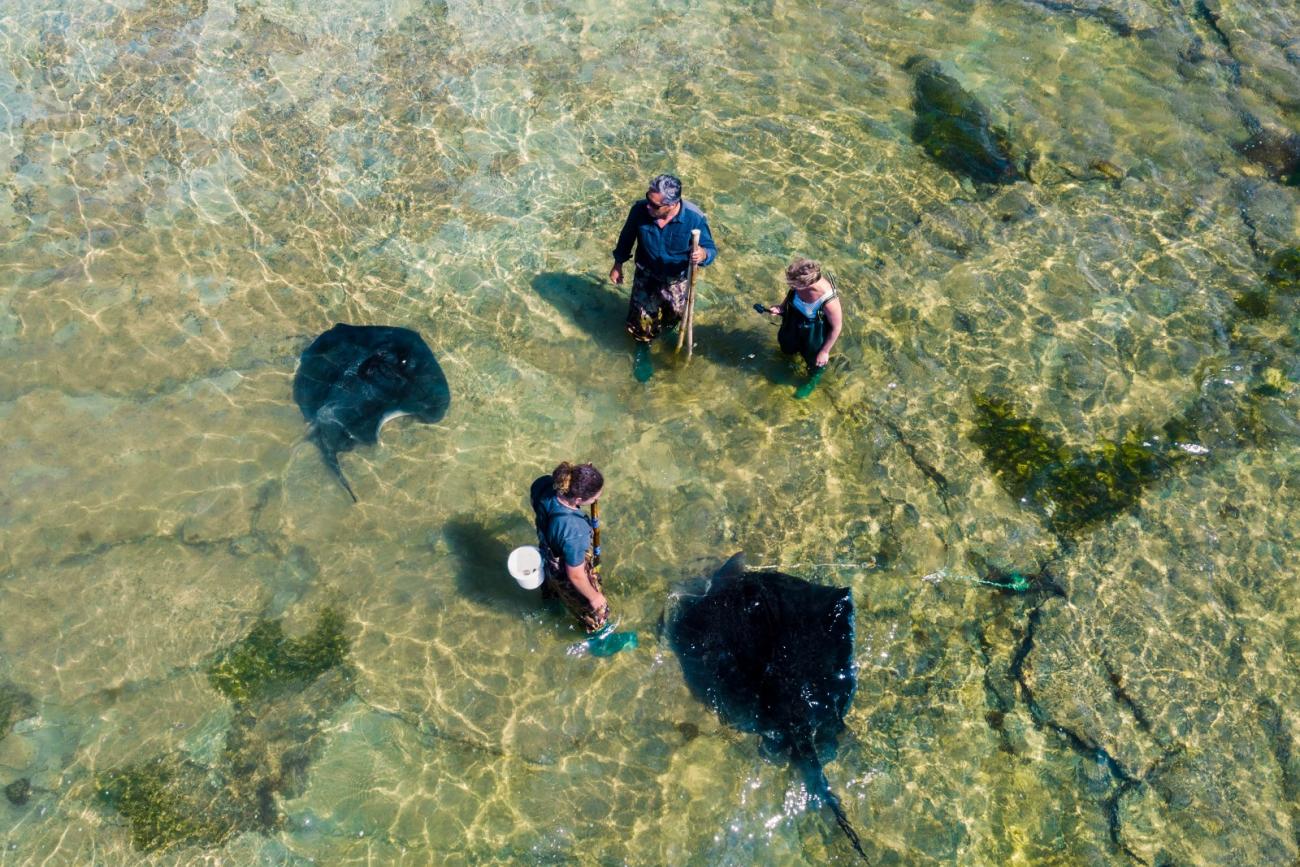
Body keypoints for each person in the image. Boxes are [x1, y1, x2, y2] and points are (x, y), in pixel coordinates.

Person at [610, 174, 718, 380]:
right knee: (640, 319)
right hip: (647, 273)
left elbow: (711, 249)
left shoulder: (694, 218)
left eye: (654, 205)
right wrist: (618, 264)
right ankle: (642, 348)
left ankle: (666, 333)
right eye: (648, 200)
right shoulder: (639, 210)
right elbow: (626, 237)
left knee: (675, 314)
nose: (648, 207)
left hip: (677, 278)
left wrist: (703, 255)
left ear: (672, 204)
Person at [529, 462, 608, 632]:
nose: (596, 500)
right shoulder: (574, 531)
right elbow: (576, 576)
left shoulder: (545, 484)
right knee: (598, 615)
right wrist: (594, 597)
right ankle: (599, 643)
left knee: (552, 590)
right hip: (566, 569)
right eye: (594, 498)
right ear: (578, 500)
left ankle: (552, 603)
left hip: (548, 553)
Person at [760, 258, 844, 398]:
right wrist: (781, 308)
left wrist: (824, 351)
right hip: (793, 321)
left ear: (807, 284)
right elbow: (791, 294)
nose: (790, 285)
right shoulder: (797, 284)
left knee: (814, 360)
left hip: (813, 331)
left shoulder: (829, 300)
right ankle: (786, 366)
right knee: (786, 346)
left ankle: (812, 380)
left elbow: (837, 327)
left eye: (793, 284)